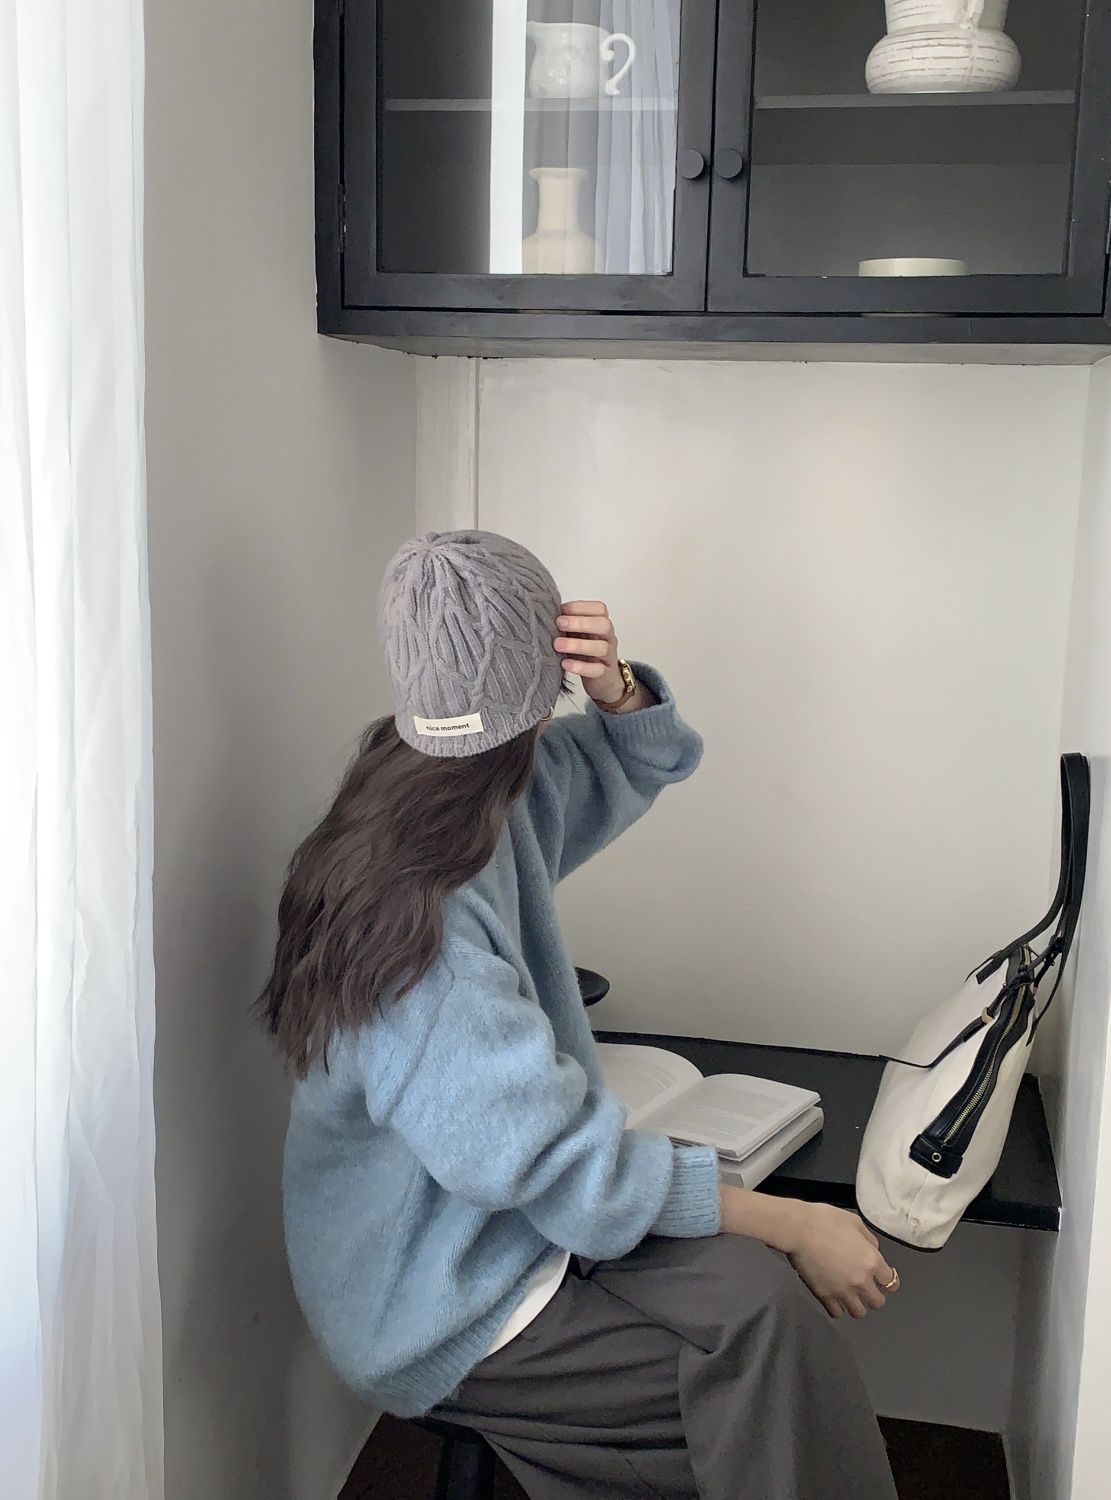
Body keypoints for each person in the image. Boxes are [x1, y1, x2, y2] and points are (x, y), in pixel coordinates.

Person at [257, 530, 900, 1499]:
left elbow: (608, 770)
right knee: (761, 1362)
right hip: (437, 1300)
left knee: (755, 1305)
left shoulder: (428, 789)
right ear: (542, 675)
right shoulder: (423, 940)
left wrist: (618, 693)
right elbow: (565, 1173)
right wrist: (795, 1221)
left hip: (502, 1227)